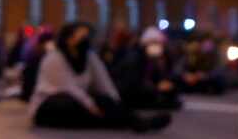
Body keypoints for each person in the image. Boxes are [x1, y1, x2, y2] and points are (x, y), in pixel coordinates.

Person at [31, 22, 170, 132]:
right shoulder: (54, 58)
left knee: (103, 101)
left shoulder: (89, 57)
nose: (86, 39)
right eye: (81, 36)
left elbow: (104, 82)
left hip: (80, 99)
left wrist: (114, 102)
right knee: (72, 105)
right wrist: (91, 105)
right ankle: (120, 123)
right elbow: (68, 87)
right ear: (69, 39)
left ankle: (136, 121)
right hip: (51, 104)